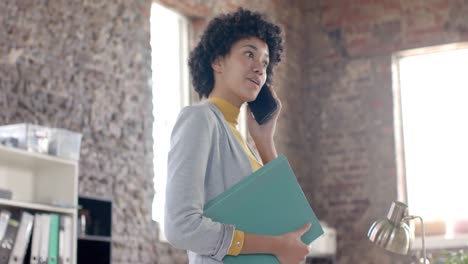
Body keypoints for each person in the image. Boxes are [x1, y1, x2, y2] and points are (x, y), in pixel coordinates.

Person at [164, 8, 311, 264]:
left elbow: (296, 224)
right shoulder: (199, 120)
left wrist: (265, 141)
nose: (259, 69)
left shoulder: (245, 143)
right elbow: (180, 226)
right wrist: (274, 245)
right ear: (217, 61)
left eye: (265, 63)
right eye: (249, 54)